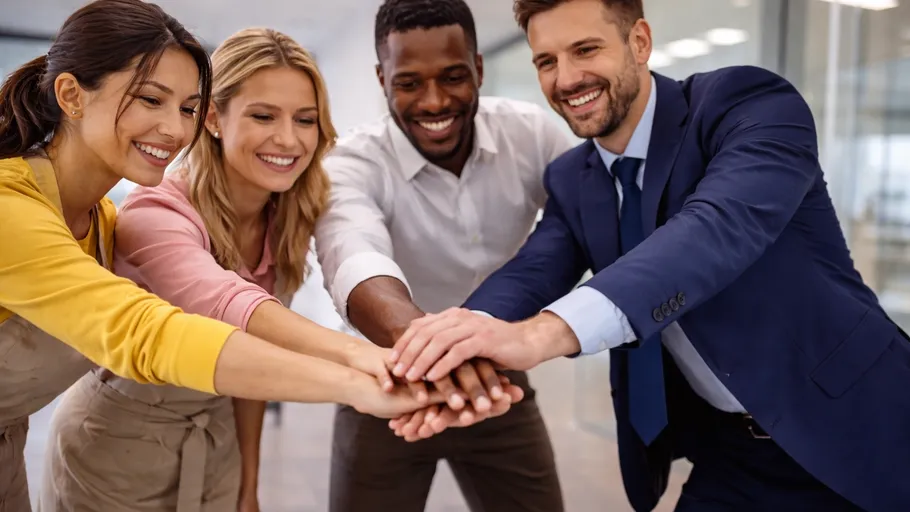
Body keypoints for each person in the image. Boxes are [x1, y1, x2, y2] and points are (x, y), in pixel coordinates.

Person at [386, 0, 910, 511]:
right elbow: (534, 268)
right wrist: (459, 343)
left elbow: (714, 230)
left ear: (639, 42)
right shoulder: (573, 178)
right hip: (731, 456)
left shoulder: (746, 105)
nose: (566, 79)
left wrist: (539, 335)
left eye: (585, 49)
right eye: (547, 61)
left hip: (862, 427)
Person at [0, 1, 443, 508]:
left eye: (185, 108)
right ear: (71, 96)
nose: (173, 129)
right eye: (150, 99)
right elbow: (156, 329)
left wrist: (249, 486)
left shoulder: (97, 217)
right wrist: (359, 374)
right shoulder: (25, 210)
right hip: (116, 450)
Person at [313, 0, 573, 510]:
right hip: (384, 384)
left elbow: (586, 224)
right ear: (381, 78)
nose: (433, 102)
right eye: (409, 82)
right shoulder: (351, 163)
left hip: (497, 382)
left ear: (478, 68)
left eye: (453, 77)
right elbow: (354, 256)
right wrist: (436, 352)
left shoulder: (532, 135)